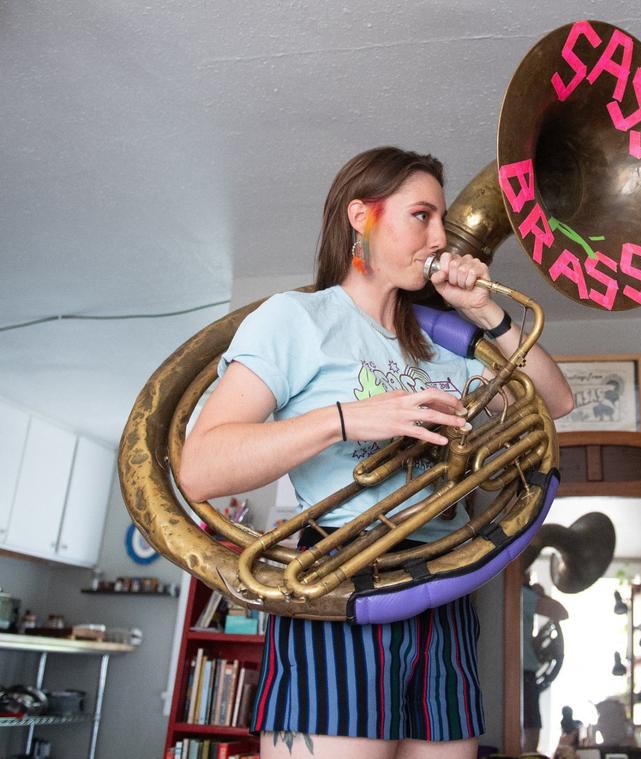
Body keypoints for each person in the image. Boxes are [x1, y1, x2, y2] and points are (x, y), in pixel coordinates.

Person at [179, 146, 574, 759]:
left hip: (445, 585)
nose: (442, 237)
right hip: (342, 583)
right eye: (422, 215)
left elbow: (553, 402)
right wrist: (343, 419)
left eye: (441, 219)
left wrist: (482, 310)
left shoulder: (446, 352)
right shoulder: (296, 319)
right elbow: (201, 467)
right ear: (361, 216)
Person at [520, 582, 568, 752]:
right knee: (532, 730)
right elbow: (561, 612)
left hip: (523, 672)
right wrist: (542, 595)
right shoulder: (523, 594)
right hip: (524, 672)